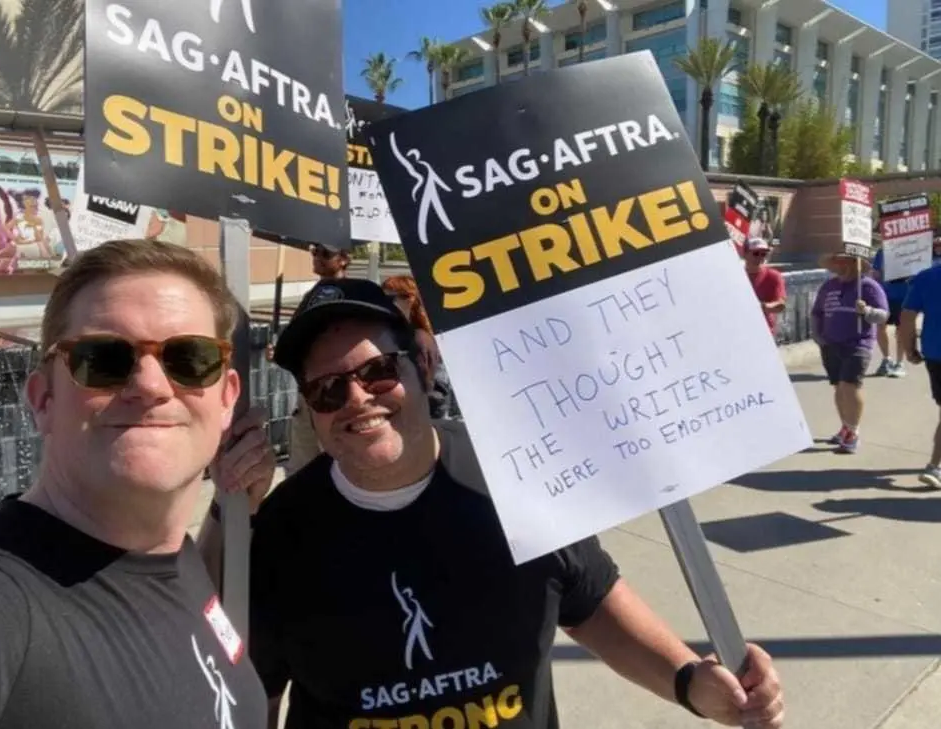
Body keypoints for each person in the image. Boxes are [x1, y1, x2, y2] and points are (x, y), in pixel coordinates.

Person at [248, 277, 786, 729]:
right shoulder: (279, 531)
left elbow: (592, 603)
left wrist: (690, 682)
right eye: (327, 390)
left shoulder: (515, 474)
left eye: (378, 372)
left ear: (423, 368)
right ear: (311, 410)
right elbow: (258, 698)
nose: (357, 399)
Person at [0, 239, 276, 729]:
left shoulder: (169, 554)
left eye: (190, 358)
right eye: (103, 359)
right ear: (42, 401)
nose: (150, 385)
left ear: (227, 400)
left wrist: (228, 516)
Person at [811, 251, 889, 454]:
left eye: (846, 261)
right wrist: (818, 336)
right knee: (838, 387)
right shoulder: (828, 286)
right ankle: (845, 426)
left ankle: (853, 433)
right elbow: (816, 313)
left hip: (858, 343)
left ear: (857, 264)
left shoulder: (868, 287)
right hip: (830, 344)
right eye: (838, 261)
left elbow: (883, 315)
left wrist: (868, 312)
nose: (841, 265)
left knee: (850, 385)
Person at [284, 243, 353, 474]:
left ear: (343, 259)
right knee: (301, 465)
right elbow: (296, 336)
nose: (318, 258)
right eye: (315, 252)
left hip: (335, 390)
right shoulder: (311, 296)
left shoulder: (354, 294)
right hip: (307, 391)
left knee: (338, 461)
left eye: (326, 253)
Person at [382, 274, 454, 419]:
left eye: (389, 299)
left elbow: (435, 390)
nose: (384, 304)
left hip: (423, 419)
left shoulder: (420, 339)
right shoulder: (397, 333)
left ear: (409, 299)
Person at [898, 262, 941, 488]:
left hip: (935, 353)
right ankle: (934, 465)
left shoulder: (925, 277)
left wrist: (909, 348)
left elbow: (906, 316)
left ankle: (935, 465)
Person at [870, 246, 909, 378]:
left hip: (905, 295)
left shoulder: (913, 248)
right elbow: (875, 274)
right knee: (880, 326)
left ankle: (899, 363)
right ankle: (887, 359)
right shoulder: (882, 252)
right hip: (884, 295)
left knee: (902, 329)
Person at [742, 237, 786, 339]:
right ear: (745, 254)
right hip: (739, 330)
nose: (760, 257)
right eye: (756, 253)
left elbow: (781, 304)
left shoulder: (774, 276)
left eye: (764, 254)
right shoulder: (736, 276)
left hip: (764, 334)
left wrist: (761, 307)